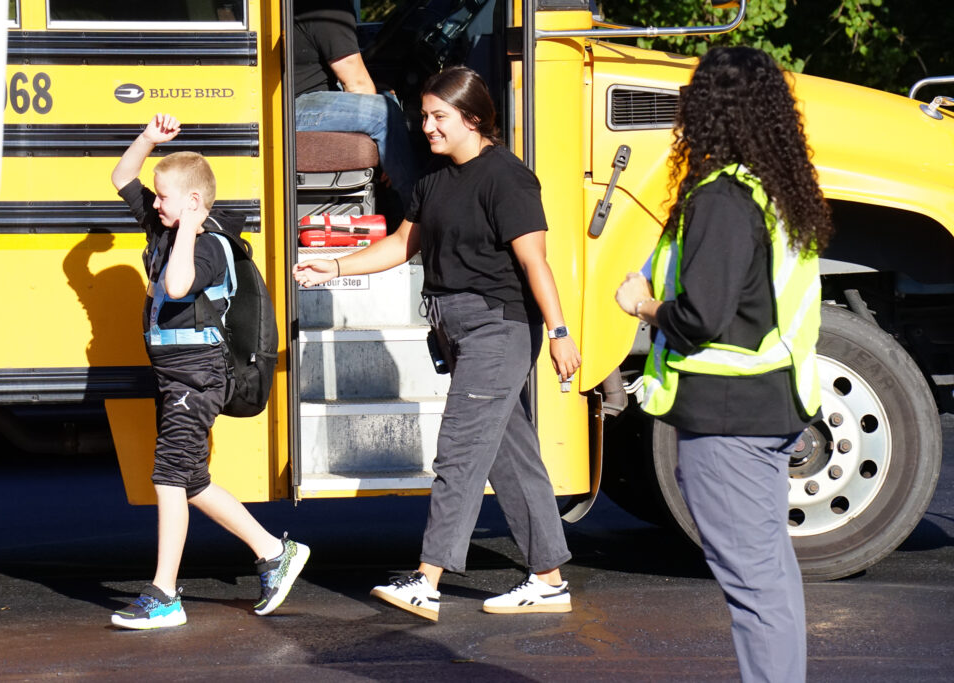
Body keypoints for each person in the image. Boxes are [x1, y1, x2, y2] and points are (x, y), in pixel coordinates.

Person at [294, 66, 582, 621]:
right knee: (509, 455)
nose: (426, 126)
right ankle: (548, 579)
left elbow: (535, 262)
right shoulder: (433, 181)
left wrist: (559, 331)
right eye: (424, 116)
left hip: (498, 329)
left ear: (473, 119)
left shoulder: (508, 178)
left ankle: (428, 581)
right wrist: (331, 266)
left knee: (457, 452)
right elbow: (402, 245)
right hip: (454, 330)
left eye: (438, 116)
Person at [615, 47, 833, 682]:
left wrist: (644, 304)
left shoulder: (720, 198)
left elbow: (700, 318)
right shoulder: (778, 193)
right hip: (771, 404)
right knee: (769, 577)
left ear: (706, 112)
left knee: (753, 586)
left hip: (726, 417)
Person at [109, 113, 309, 630]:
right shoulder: (168, 227)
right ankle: (273, 552)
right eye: (155, 198)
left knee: (170, 476)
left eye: (164, 198)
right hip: (176, 375)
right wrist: (148, 141)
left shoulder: (210, 246)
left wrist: (191, 228)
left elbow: (176, 287)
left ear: (193, 203)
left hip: (198, 375)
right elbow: (120, 178)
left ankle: (164, 594)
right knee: (192, 480)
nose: (154, 204)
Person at [294, 0, 417, 209]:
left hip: (300, 97)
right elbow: (357, 83)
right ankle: (416, 215)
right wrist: (390, 137)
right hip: (290, 107)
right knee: (383, 114)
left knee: (388, 97)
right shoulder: (328, 9)